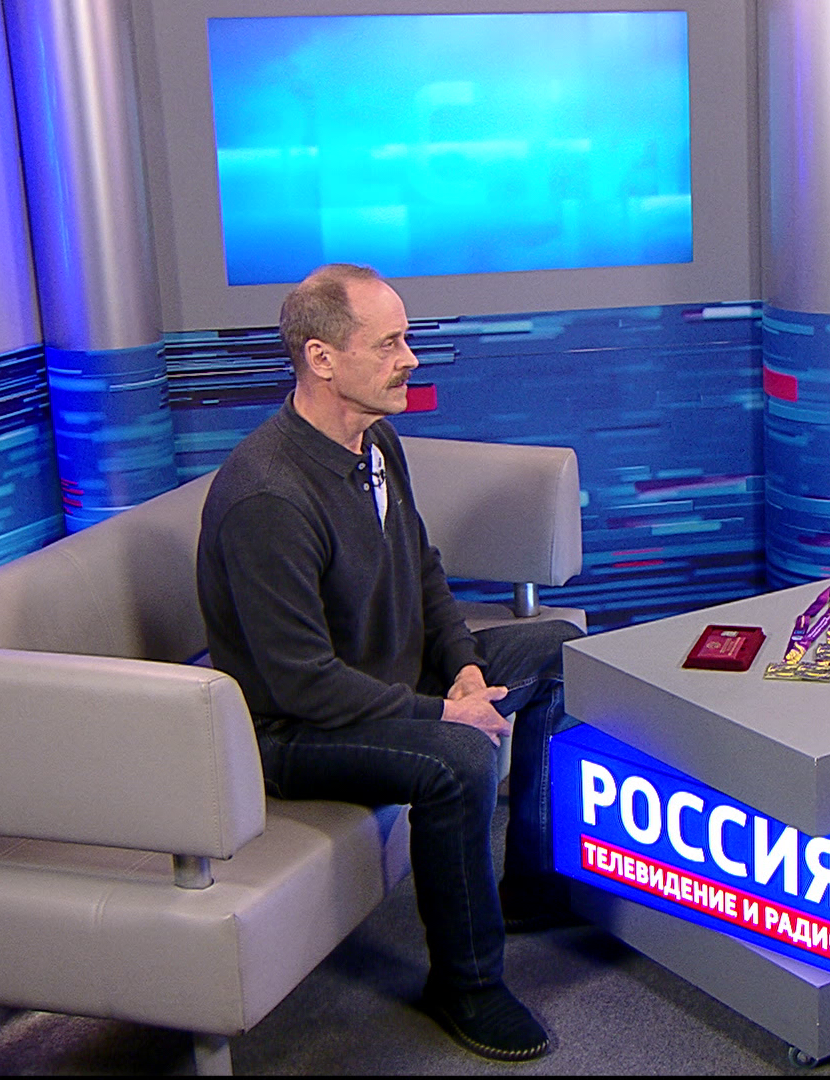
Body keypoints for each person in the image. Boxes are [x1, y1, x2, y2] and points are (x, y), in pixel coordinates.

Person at [196, 264, 583, 1062]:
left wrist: (464, 665)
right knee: (456, 757)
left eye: (407, 340)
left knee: (562, 653)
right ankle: (467, 983)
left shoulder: (375, 441)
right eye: (390, 344)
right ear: (321, 358)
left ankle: (532, 882)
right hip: (293, 732)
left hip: (386, 681)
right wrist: (445, 712)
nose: (411, 359)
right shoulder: (268, 495)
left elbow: (422, 568)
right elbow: (302, 682)